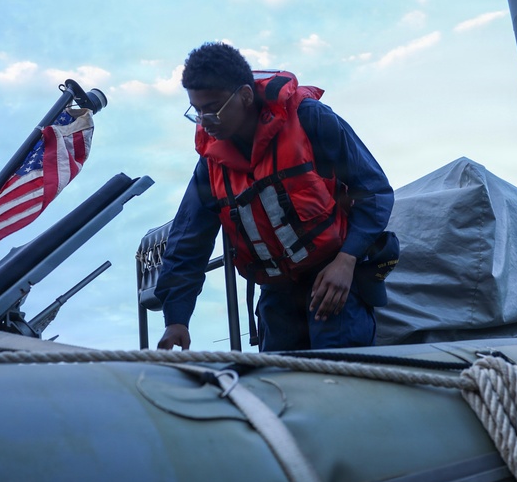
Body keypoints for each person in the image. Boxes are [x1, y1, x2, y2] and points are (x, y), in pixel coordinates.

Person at [153, 41, 395, 352]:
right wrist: (176, 320)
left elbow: (374, 190)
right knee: (275, 378)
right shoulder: (210, 165)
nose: (206, 121)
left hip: (335, 281)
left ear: (245, 95)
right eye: (197, 111)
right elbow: (189, 240)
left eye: (213, 108)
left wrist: (347, 259)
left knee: (338, 374)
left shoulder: (310, 119)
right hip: (277, 296)